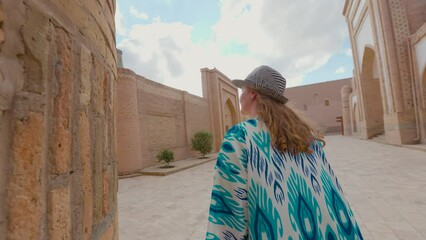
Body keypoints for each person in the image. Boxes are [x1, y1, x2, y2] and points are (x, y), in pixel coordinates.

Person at [206, 65, 363, 240]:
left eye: (242, 89)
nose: (240, 95)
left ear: (252, 93)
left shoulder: (240, 138)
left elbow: (227, 215)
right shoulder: (307, 136)